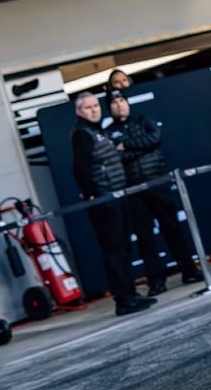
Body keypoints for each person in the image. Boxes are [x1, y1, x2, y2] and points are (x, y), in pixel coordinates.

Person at [106, 91, 202, 295]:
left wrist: (127, 145)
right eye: (114, 102)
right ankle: (156, 281)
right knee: (145, 238)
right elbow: (114, 156)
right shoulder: (109, 132)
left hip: (157, 182)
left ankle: (189, 271)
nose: (119, 105)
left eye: (122, 100)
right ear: (110, 108)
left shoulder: (143, 120)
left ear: (127, 103)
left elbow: (155, 139)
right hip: (133, 189)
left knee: (173, 229)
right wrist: (140, 147)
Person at [69, 91, 155, 316]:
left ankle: (131, 294)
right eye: (88, 107)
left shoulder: (98, 131)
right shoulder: (82, 134)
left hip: (118, 195)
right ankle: (124, 299)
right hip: (105, 200)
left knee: (123, 247)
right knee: (114, 250)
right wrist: (92, 193)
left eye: (96, 106)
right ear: (79, 111)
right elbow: (80, 167)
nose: (94, 110)